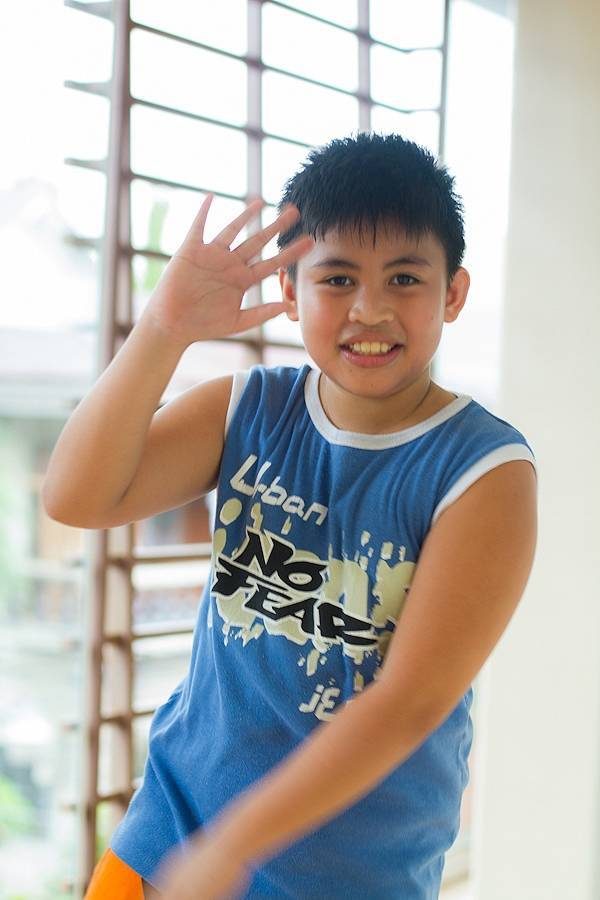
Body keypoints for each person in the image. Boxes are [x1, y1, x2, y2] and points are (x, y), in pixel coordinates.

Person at [44, 132, 538, 899]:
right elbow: (77, 497)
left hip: (345, 876)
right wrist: (163, 328)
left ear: (453, 293)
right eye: (337, 278)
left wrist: (238, 844)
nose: (369, 309)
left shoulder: (484, 472)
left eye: (404, 277)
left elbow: (410, 704)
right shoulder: (249, 407)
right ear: (294, 288)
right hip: (170, 834)